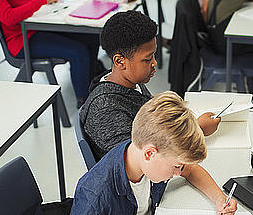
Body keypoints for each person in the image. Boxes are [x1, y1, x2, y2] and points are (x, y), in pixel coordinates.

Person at [59, 91, 237, 215]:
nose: (178, 172)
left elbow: (190, 169)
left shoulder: (147, 158)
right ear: (150, 153)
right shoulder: (96, 192)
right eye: (176, 166)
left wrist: (220, 199)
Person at [80, 10, 220, 161]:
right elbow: (142, 161)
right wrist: (196, 130)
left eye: (153, 55)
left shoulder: (130, 81)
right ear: (120, 61)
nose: (155, 63)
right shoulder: (106, 110)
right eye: (147, 60)